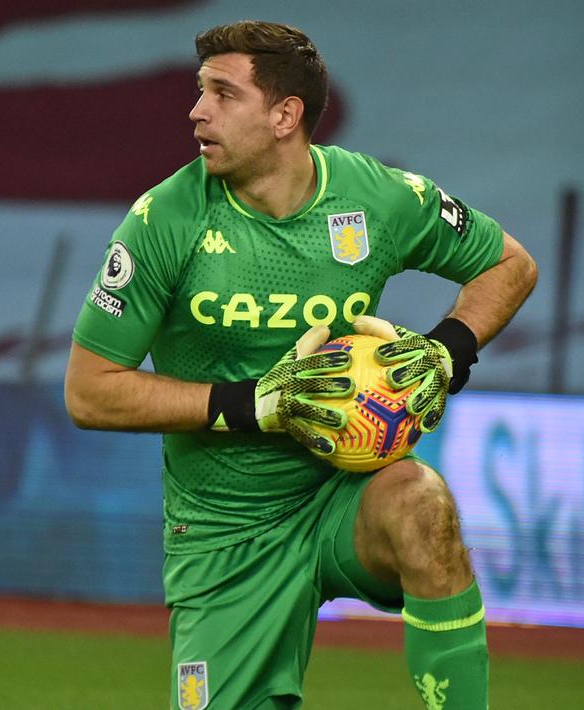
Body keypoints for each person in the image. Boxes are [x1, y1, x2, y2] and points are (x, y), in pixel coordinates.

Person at [66, 20, 537, 710]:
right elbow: (89, 392)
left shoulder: (376, 198)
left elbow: (509, 264)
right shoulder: (164, 220)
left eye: (222, 94)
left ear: (285, 115)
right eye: (200, 92)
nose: (196, 112)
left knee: (420, 503)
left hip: (340, 498)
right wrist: (250, 404)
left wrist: (447, 350)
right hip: (226, 531)